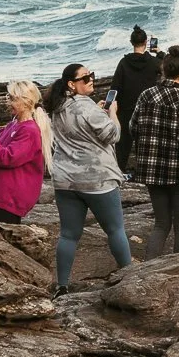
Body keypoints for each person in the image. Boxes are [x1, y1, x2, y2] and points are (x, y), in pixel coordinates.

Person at [41, 62, 134, 293]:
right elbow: (113, 135)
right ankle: (131, 278)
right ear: (72, 84)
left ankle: (62, 285)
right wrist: (112, 114)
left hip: (66, 180)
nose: (91, 79)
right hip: (97, 180)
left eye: (92, 75)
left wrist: (98, 112)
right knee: (115, 230)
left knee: (69, 235)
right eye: (85, 78)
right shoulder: (88, 108)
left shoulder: (57, 107)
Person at [127, 46, 179, 258]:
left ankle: (150, 268)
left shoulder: (146, 94)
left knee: (161, 223)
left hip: (152, 169)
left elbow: (133, 127)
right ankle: (177, 269)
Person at [0, 80, 52, 223]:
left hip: (12, 199)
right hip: (5, 197)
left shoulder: (29, 131)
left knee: (3, 241)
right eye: (8, 97)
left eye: (13, 99)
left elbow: (5, 158)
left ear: (26, 102)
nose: (8, 102)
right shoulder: (14, 124)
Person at [111, 26, 162, 166]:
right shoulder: (153, 62)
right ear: (146, 42)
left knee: (123, 144)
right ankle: (142, 172)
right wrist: (158, 52)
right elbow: (169, 66)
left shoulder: (123, 63)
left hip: (126, 108)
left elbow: (115, 87)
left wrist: (109, 106)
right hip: (147, 109)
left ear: (131, 42)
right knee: (143, 142)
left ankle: (120, 169)